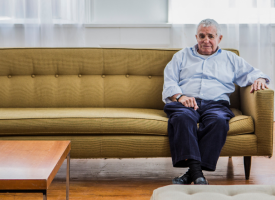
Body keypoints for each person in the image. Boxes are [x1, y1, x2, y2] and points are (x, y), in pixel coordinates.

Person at [162, 19, 270, 185]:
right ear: (196, 37)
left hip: (216, 105)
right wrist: (180, 97)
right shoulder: (181, 56)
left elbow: (252, 73)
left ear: (219, 38)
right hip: (186, 102)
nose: (206, 40)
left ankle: (192, 173)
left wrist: (260, 79)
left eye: (211, 36)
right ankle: (198, 175)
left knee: (219, 121)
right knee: (182, 119)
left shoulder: (230, 58)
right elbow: (169, 80)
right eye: (202, 36)